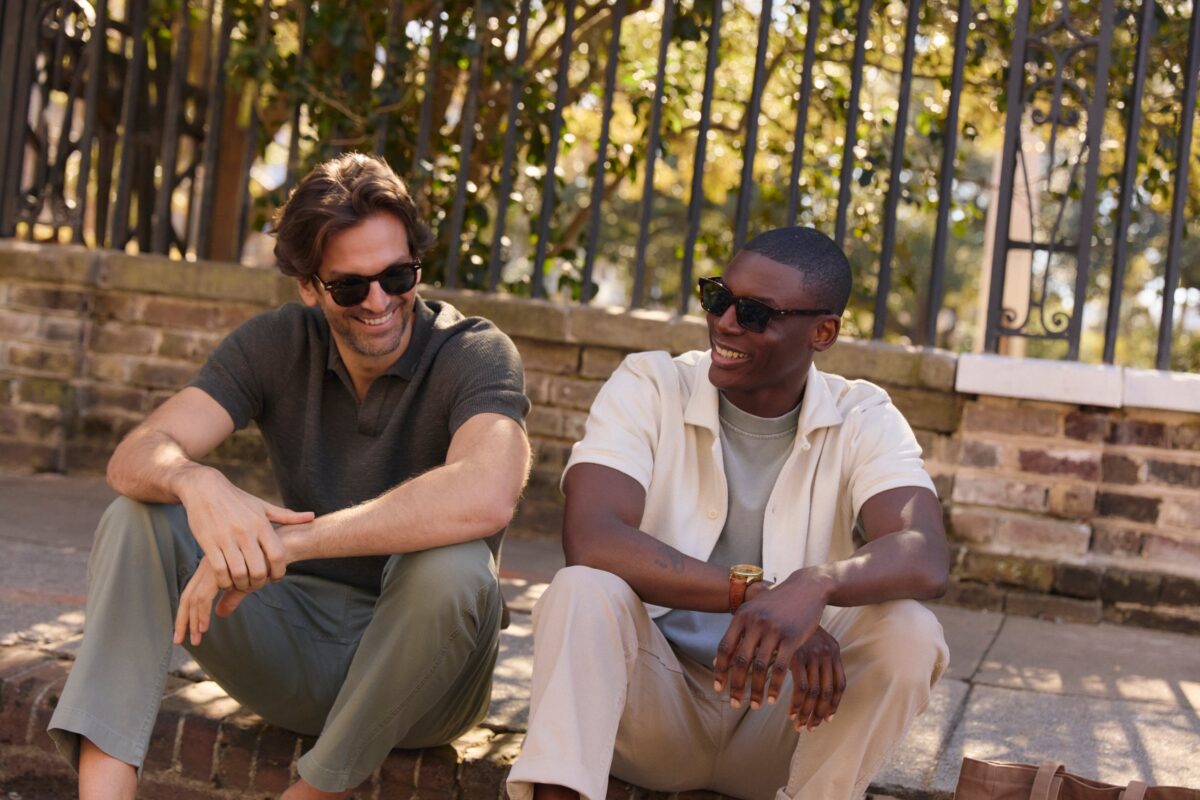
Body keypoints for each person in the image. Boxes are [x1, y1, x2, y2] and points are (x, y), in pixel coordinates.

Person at [47, 152, 531, 800]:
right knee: (139, 516)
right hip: (294, 657)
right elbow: (135, 455)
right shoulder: (277, 343)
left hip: (428, 688)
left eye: (397, 275)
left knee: (455, 565)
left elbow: (487, 493)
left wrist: (288, 542)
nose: (380, 301)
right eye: (350, 287)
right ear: (308, 285)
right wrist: (198, 483)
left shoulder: (475, 352)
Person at [506, 226, 949, 800]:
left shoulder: (863, 415)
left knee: (911, 632)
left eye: (756, 312)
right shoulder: (650, 385)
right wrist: (759, 595)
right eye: (718, 297)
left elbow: (923, 551)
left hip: (787, 724)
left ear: (822, 332)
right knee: (581, 590)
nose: (725, 322)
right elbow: (593, 538)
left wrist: (815, 585)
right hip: (652, 706)